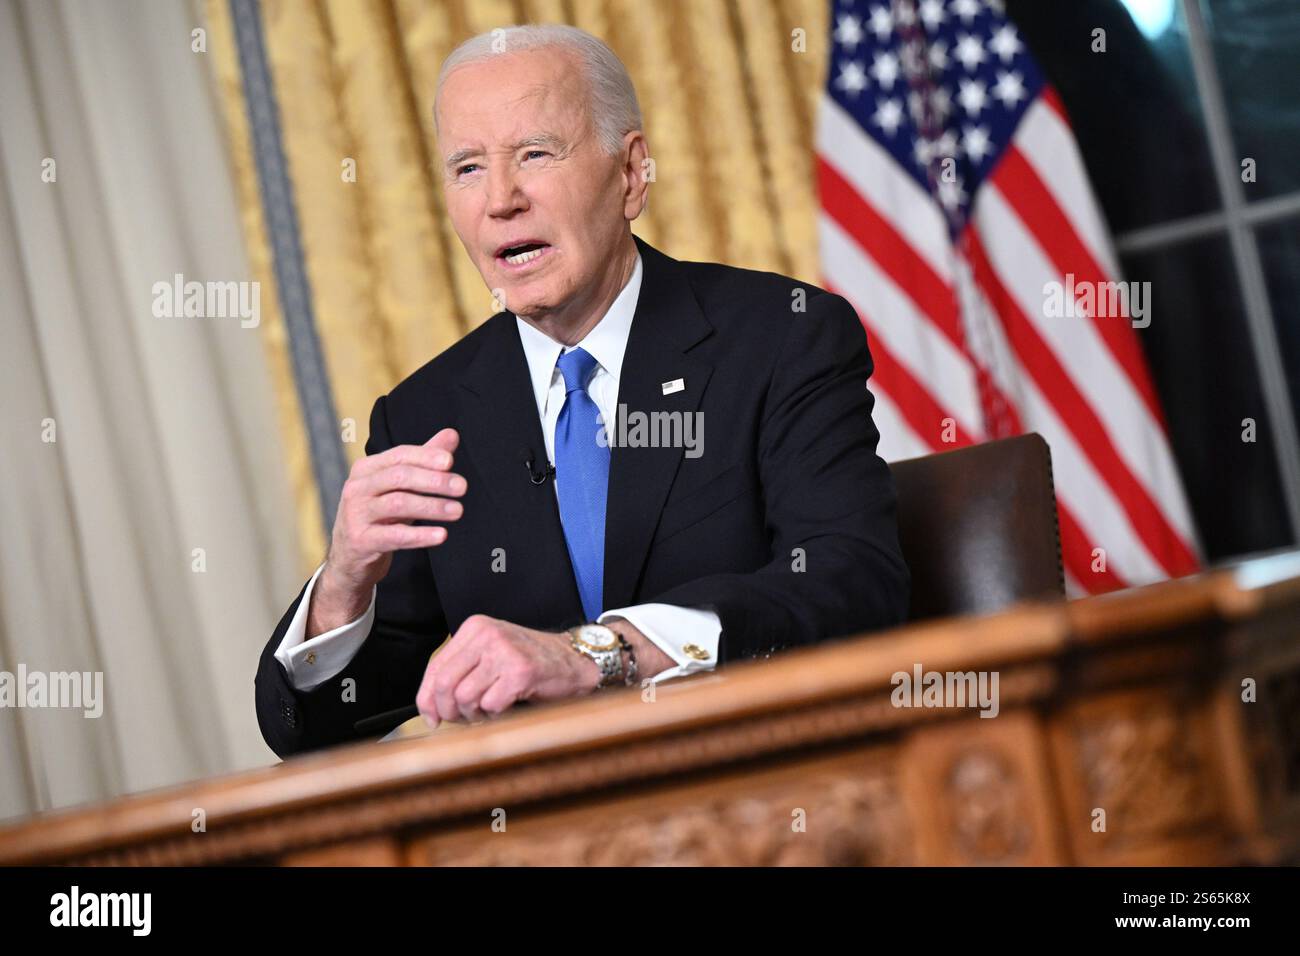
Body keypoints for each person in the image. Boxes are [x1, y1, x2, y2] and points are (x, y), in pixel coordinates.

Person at [255, 24, 908, 758]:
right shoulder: (424, 417)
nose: (500, 199)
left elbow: (854, 583)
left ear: (631, 174)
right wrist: (344, 583)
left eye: (535, 154)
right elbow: (310, 727)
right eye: (467, 168)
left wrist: (603, 654)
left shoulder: (780, 338)